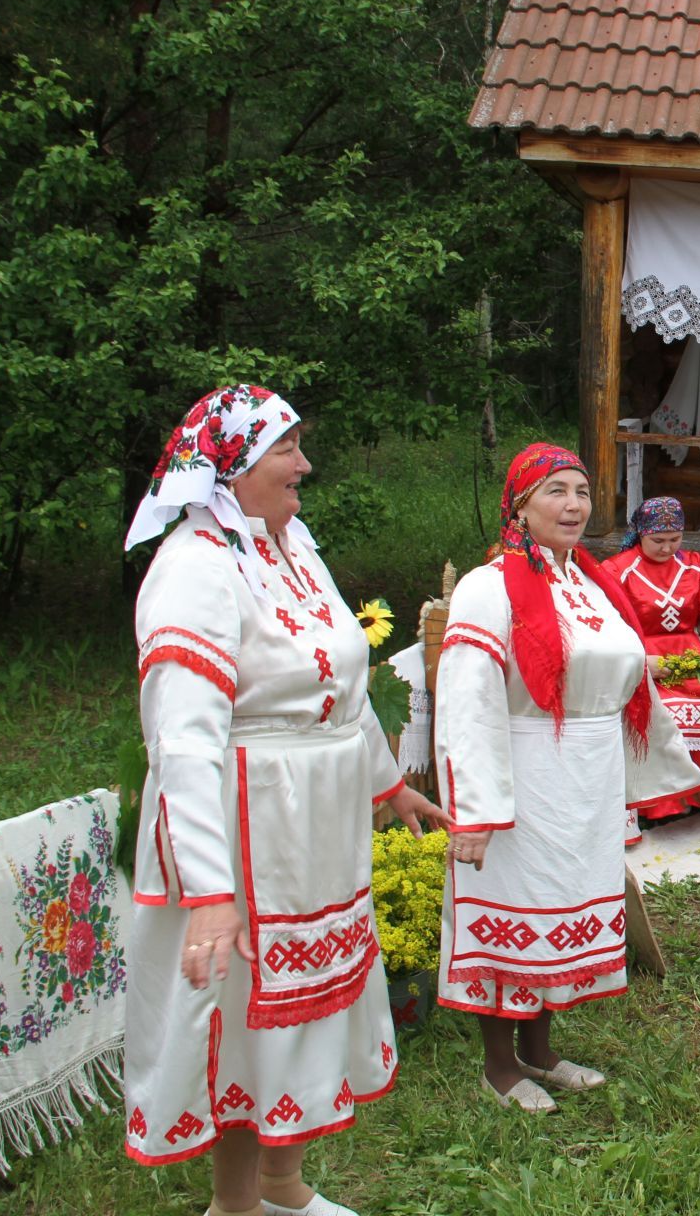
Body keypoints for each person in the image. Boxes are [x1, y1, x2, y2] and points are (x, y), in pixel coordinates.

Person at [122, 385, 451, 1216]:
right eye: (286, 449)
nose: (305, 464)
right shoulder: (195, 569)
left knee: (303, 1010)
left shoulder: (290, 542)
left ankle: (283, 1187)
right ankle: (234, 1208)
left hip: (313, 827)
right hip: (246, 832)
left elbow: (341, 681)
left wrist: (384, 781)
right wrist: (208, 894)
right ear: (229, 468)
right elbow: (184, 743)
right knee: (245, 1018)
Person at [437, 445, 700, 1111]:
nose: (574, 505)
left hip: (586, 776)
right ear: (520, 506)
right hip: (522, 770)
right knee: (515, 908)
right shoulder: (488, 586)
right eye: (555, 491)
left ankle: (541, 1050)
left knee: (559, 907)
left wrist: (676, 771)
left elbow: (630, 683)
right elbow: (467, 702)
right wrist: (475, 807)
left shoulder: (591, 584)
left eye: (582, 491)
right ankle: (500, 1066)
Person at [602, 498, 700, 818]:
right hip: (643, 662)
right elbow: (605, 629)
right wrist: (641, 664)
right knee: (666, 711)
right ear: (641, 534)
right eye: (658, 540)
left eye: (676, 539)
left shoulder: (694, 567)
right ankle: (660, 804)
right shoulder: (617, 570)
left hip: (690, 662)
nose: (668, 548)